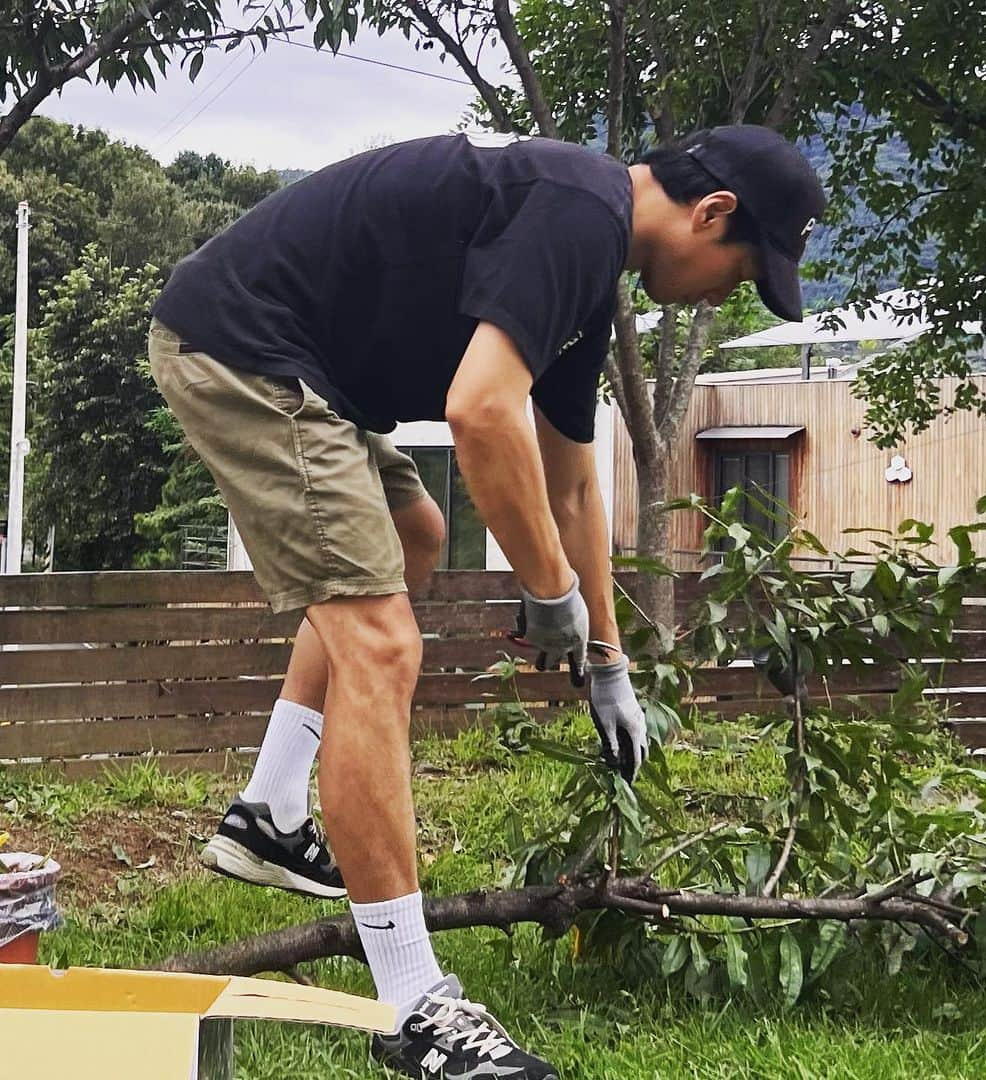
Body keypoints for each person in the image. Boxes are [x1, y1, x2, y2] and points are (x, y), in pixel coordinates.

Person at [147, 124, 824, 1080]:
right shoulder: (582, 212)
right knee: (381, 643)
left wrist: (609, 657)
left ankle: (268, 808)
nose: (728, 291)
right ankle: (414, 1003)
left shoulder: (588, 277)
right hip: (244, 345)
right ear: (711, 213)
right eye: (741, 267)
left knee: (417, 536)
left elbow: (574, 486)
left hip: (300, 367)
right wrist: (547, 590)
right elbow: (480, 411)